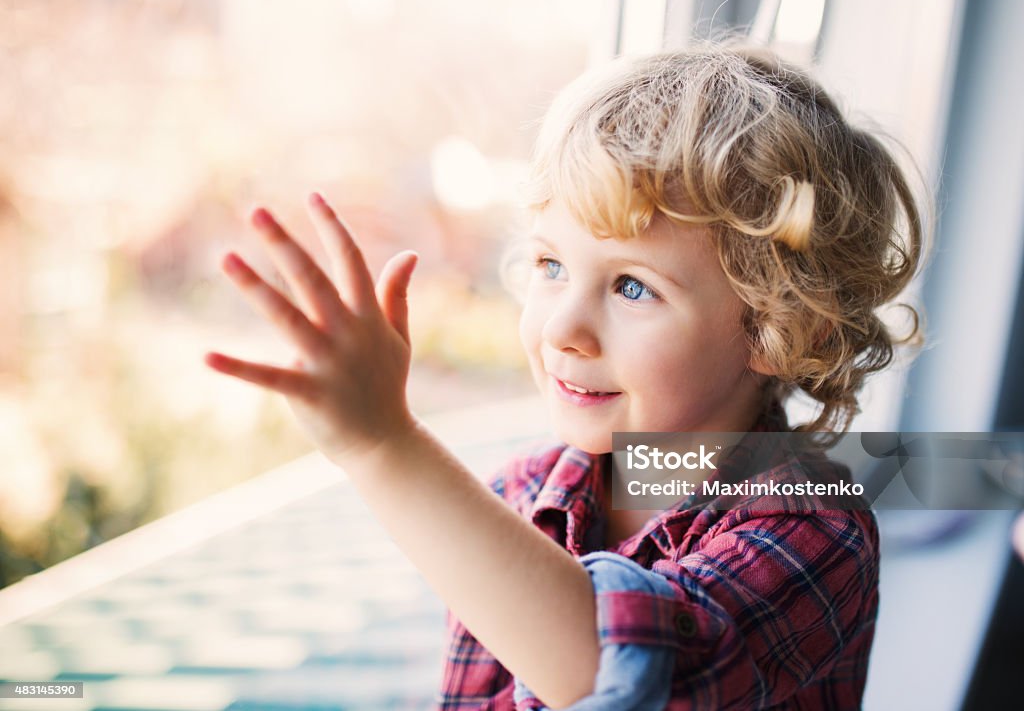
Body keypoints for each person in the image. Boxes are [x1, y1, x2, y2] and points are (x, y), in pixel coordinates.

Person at [204, 42, 925, 710]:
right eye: (551, 265)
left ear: (780, 329)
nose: (561, 328)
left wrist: (383, 446)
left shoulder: (816, 529)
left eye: (632, 287)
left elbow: (614, 675)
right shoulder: (521, 494)